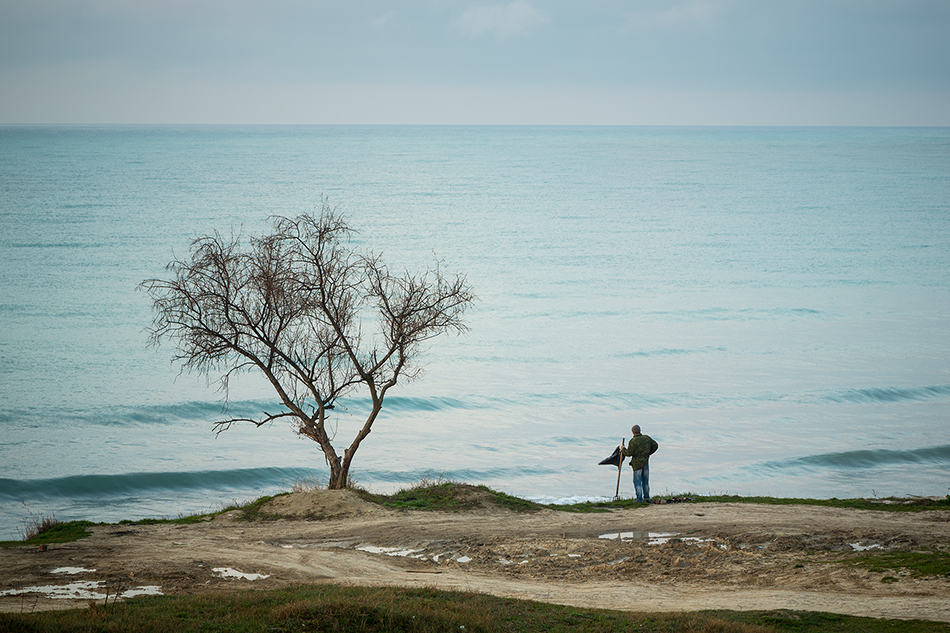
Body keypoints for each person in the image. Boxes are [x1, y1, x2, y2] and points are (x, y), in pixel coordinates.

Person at [621, 424, 658, 503]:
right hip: (645, 462)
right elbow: (655, 445)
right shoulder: (646, 438)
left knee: (637, 482)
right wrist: (648, 453)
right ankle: (647, 498)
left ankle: (639, 499)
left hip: (637, 465)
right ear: (640, 431)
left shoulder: (633, 441)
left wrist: (622, 449)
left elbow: (629, 453)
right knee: (646, 481)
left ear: (633, 432)